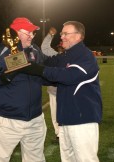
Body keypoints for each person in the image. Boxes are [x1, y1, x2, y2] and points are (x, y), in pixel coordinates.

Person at [19, 21, 103, 162]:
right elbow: (45, 62)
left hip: (83, 120)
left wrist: (39, 70)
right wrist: (27, 48)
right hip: (65, 120)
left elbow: (68, 76)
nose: (62, 36)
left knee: (86, 159)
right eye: (62, 33)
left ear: (79, 36)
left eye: (66, 33)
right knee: (68, 159)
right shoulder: (65, 56)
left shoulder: (85, 56)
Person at [0, 17, 48, 162]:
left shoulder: (35, 49)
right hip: (7, 120)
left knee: (36, 159)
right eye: (27, 32)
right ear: (15, 33)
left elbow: (41, 75)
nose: (31, 36)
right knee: (0, 159)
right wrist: (1, 79)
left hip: (35, 118)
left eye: (33, 33)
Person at [41, 27, 59, 142]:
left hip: (70, 91)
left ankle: (68, 133)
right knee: (55, 114)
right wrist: (50, 35)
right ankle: (59, 134)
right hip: (54, 91)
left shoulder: (75, 57)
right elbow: (45, 47)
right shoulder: (55, 55)